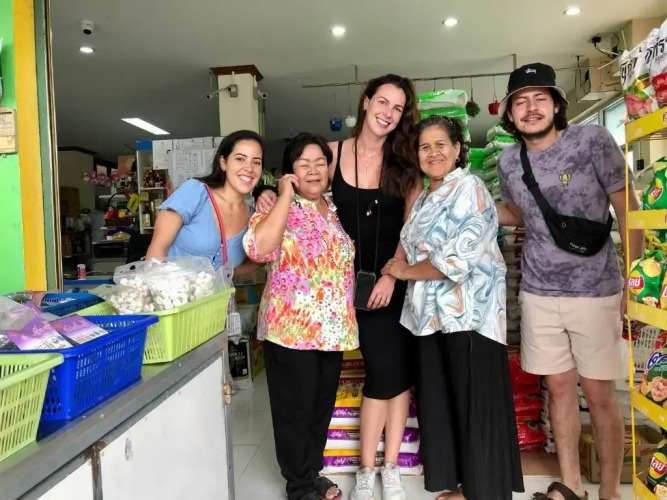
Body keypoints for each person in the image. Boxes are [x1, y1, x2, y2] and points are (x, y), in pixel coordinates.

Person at [256, 74, 422, 500]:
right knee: (303, 396)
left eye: (397, 107)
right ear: (365, 102)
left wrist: (393, 273)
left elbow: (412, 225)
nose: (387, 113)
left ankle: (382, 467)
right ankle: (320, 477)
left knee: (382, 376)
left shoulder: (404, 163)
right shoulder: (330, 154)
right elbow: (299, 186)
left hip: (381, 288)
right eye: (381, 102)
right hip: (331, 298)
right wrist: (268, 196)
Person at [495, 63, 642, 500]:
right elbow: (519, 213)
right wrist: (467, 204)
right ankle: (571, 486)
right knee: (558, 390)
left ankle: (610, 491)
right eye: (521, 102)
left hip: (596, 289)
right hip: (539, 291)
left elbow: (628, 207)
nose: (531, 108)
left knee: (598, 394)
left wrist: (633, 281)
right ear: (510, 114)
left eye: (540, 98)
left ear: (557, 104)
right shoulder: (507, 160)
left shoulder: (593, 140)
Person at [382, 115, 524, 500]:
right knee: (446, 403)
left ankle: (486, 491)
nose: (433, 153)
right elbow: (409, 243)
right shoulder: (425, 197)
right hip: (431, 320)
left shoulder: (471, 189)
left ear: (458, 149)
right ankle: (465, 487)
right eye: (425, 147)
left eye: (441, 145)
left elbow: (458, 260)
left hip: (470, 317)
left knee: (476, 406)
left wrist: (404, 272)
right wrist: (398, 268)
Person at [243, 133, 358, 500]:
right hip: (291, 330)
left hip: (332, 331)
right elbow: (259, 250)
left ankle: (310, 473)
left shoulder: (333, 209)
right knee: (295, 411)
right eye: (303, 163)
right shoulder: (276, 206)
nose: (313, 170)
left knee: (320, 408)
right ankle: (298, 487)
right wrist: (282, 195)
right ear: (289, 171)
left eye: (320, 163)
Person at [146, 130, 264, 275]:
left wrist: (223, 276)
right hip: (168, 287)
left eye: (256, 162)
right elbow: (157, 249)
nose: (249, 168)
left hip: (219, 291)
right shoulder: (195, 191)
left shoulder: (253, 218)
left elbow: (262, 258)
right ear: (223, 162)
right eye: (240, 159)